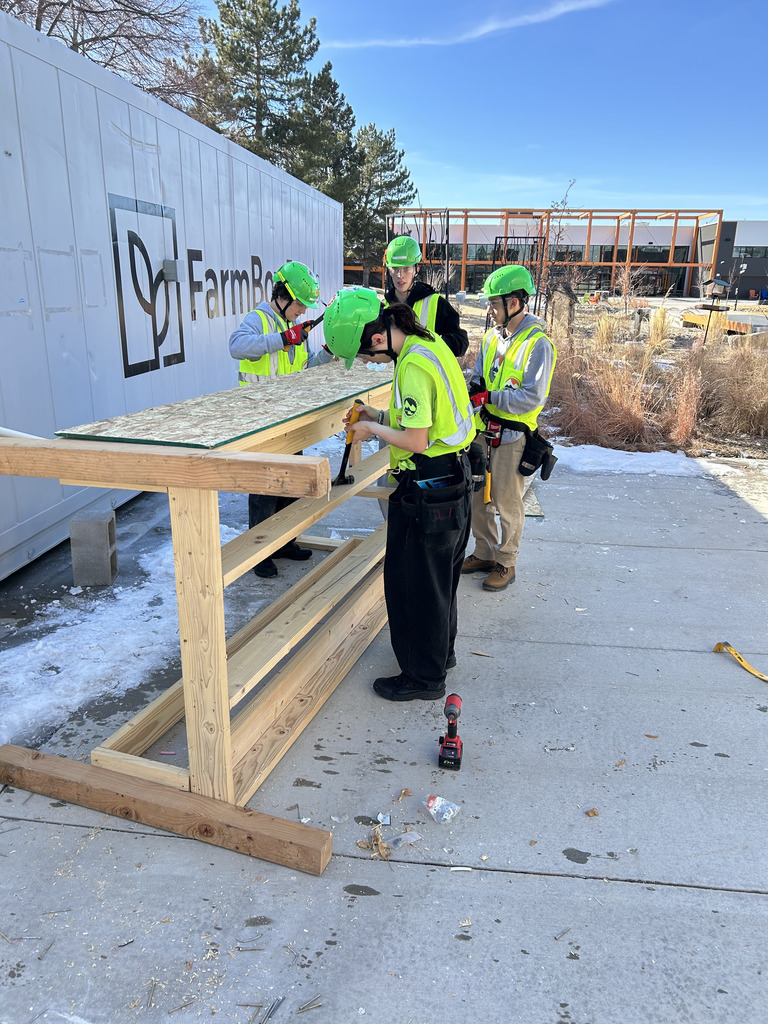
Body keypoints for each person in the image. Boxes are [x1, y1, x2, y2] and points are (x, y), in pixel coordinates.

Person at [322, 287, 475, 702]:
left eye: (369, 357)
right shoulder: (428, 344)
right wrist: (379, 415)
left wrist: (369, 429)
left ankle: (423, 678)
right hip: (451, 479)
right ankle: (440, 656)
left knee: (414, 585)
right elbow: (423, 419)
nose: (372, 363)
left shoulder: (411, 366)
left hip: (428, 486)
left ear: (376, 339)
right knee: (439, 580)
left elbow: (417, 439)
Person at [229, 260, 332, 578]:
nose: (302, 311)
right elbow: (236, 346)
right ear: (283, 295)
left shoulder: (295, 330)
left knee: (290, 482)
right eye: (300, 304)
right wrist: (282, 338)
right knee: (264, 488)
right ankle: (259, 552)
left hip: (289, 421)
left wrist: (328, 352)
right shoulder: (259, 319)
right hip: (261, 421)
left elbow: (306, 367)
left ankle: (285, 542)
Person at [461, 265, 557, 592]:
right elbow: (479, 375)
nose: (489, 309)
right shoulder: (491, 338)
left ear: (513, 303)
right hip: (482, 432)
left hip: (513, 436)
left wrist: (491, 396)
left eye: (494, 303)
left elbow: (532, 397)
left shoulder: (538, 345)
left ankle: (506, 562)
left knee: (506, 502)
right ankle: (485, 552)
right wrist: (474, 388)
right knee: (479, 499)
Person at [383, 235, 469, 358]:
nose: (400, 275)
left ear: (416, 270)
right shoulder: (384, 306)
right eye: (395, 269)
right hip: (397, 376)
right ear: (389, 270)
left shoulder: (435, 303)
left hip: (425, 375)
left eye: (406, 269)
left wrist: (432, 345)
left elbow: (461, 343)